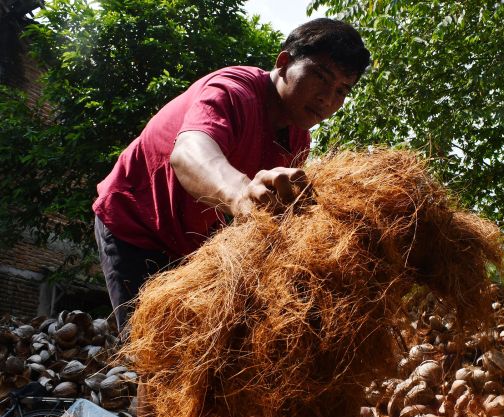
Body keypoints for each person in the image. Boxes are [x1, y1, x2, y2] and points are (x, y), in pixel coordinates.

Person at [93, 18, 370, 340]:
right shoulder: (232, 90)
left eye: (341, 90)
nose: (327, 98)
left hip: (193, 245)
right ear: (283, 63)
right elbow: (189, 153)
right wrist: (241, 194)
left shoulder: (298, 139)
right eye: (320, 77)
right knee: (155, 354)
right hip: (136, 226)